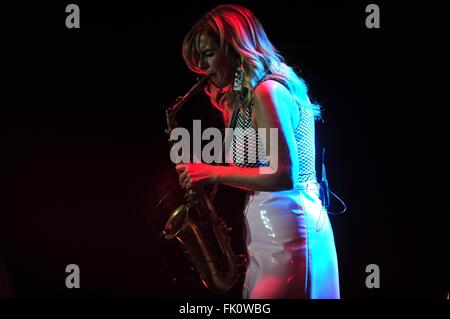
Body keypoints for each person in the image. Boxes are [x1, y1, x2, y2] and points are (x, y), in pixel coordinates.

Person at [175, 4, 340, 299]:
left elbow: (283, 176)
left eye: (209, 55)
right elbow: (259, 171)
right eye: (199, 60)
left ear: (236, 50)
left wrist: (212, 173)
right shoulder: (247, 95)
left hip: (290, 225)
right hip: (268, 229)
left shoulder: (268, 91)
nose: (203, 68)